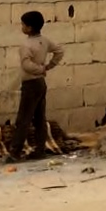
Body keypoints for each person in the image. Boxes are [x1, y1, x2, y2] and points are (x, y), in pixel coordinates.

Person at [9, 10, 64, 160]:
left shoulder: (26, 45)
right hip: (40, 83)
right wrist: (49, 66)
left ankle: (15, 151)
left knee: (23, 119)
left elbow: (26, 65)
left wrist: (41, 69)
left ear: (29, 28)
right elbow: (59, 51)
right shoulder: (44, 41)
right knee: (40, 118)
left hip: (30, 83)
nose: (22, 27)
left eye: (23, 24)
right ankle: (40, 149)